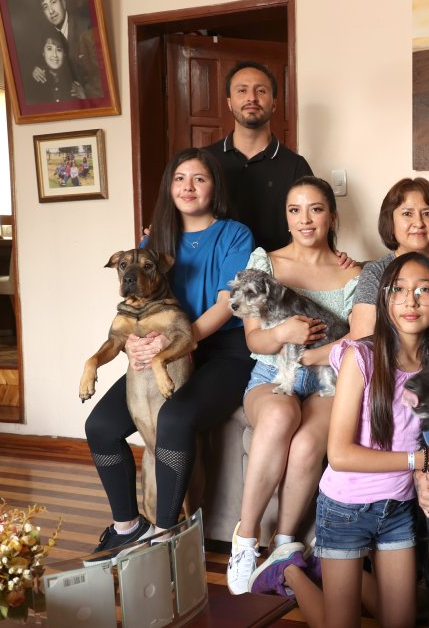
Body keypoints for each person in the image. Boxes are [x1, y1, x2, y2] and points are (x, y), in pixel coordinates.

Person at [251, 253, 429, 627]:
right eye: (398, 290)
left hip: (397, 510)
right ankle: (290, 571)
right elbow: (340, 455)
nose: (410, 301)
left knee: (401, 621)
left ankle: (324, 566)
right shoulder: (359, 356)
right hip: (345, 509)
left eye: (424, 290)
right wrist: (423, 462)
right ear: (384, 300)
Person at [84, 148, 254, 553]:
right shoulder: (154, 240)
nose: (188, 187)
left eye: (199, 178)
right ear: (169, 187)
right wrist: (135, 345)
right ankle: (127, 526)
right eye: (180, 178)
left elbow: (227, 303)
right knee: (101, 428)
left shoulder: (235, 234)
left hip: (222, 352)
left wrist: (172, 341)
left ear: (215, 186)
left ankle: (164, 535)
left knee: (175, 417)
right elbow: (138, 304)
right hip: (162, 352)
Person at [227, 176, 361, 595]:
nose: (305, 219)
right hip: (271, 373)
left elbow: (358, 340)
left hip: (327, 379)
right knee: (281, 414)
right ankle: (245, 541)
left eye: (316, 209)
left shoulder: (354, 273)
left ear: (332, 216)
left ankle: (283, 544)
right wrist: (285, 331)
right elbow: (254, 339)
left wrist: (316, 352)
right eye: (295, 210)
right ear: (286, 218)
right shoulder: (264, 263)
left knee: (307, 444)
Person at [204, 61, 314, 253]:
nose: (251, 98)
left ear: (274, 104)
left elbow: (312, 226)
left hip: (278, 276)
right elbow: (185, 216)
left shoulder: (295, 166)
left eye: (261, 91)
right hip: (219, 276)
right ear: (229, 102)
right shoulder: (205, 160)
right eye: (242, 90)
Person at [350, 178, 429, 338]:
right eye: (407, 214)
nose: (419, 223)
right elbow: (362, 340)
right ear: (390, 222)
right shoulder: (376, 272)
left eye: (427, 214)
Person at [31, 0, 102, 99]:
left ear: (63, 3)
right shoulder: (46, 35)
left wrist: (86, 93)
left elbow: (101, 73)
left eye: (53, 2)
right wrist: (36, 69)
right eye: (45, 6)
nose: (51, 11)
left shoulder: (86, 28)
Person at [25, 34, 82, 104]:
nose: (54, 55)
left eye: (59, 50)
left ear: (64, 54)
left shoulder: (76, 79)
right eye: (49, 49)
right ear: (43, 53)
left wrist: (84, 96)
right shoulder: (34, 80)